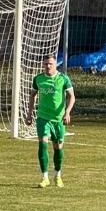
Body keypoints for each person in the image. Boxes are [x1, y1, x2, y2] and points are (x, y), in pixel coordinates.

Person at [25, 55, 75, 188]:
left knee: (58, 148)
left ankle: (57, 175)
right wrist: (30, 114)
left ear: (55, 64)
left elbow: (72, 97)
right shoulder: (38, 79)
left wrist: (67, 112)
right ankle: (45, 177)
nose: (48, 66)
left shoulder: (63, 79)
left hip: (58, 120)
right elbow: (32, 95)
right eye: (46, 64)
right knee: (43, 144)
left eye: (50, 64)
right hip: (43, 118)